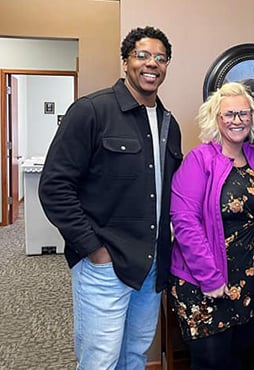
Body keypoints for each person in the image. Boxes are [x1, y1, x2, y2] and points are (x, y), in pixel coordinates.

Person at [38, 26, 182, 369]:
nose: (152, 64)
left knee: (134, 356)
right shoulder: (91, 111)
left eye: (160, 58)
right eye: (142, 55)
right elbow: (54, 187)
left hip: (151, 268)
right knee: (100, 360)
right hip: (105, 265)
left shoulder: (168, 124)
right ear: (125, 61)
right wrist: (93, 249)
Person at [168, 82, 254, 370]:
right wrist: (210, 278)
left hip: (248, 280)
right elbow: (185, 221)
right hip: (203, 282)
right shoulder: (199, 160)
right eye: (228, 114)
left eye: (243, 113)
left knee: (241, 358)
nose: (236, 120)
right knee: (211, 362)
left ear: (252, 118)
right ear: (216, 119)